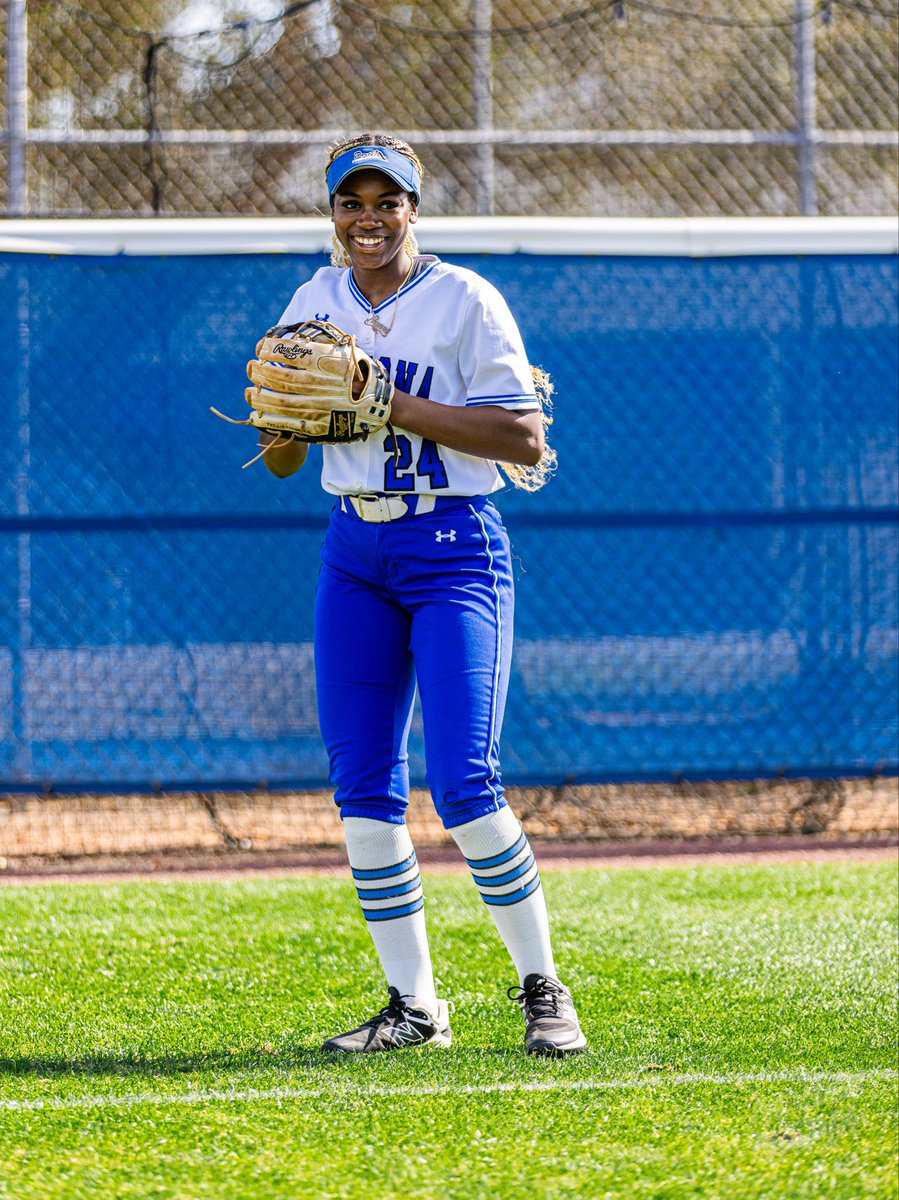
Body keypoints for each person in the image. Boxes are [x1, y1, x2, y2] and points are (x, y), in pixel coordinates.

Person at [260, 132, 586, 1057]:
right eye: (351, 202)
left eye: (385, 201)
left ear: (413, 207)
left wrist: (384, 402)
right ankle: (415, 1006)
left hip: (452, 545)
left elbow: (523, 440)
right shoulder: (313, 300)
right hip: (353, 550)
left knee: (464, 781)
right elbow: (284, 459)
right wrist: (288, 411)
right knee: (362, 785)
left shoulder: (464, 297)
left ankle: (541, 985)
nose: (368, 218)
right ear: (333, 211)